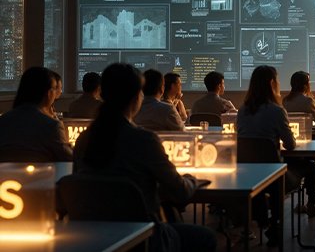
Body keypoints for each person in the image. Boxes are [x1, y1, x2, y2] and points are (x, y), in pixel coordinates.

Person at [73, 63, 217, 252]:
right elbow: (180, 191)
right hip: (144, 236)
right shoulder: (144, 140)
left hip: (95, 237)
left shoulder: (84, 139)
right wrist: (192, 181)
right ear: (136, 97)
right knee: (206, 238)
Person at [236, 65, 315, 219]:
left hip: (246, 174)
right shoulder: (276, 111)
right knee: (311, 166)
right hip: (274, 175)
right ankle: (311, 206)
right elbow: (290, 145)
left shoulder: (242, 110)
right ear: (272, 83)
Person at [0, 67, 72, 162]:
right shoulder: (52, 126)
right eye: (55, 88)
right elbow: (68, 159)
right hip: (45, 176)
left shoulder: (3, 121)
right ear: (48, 93)